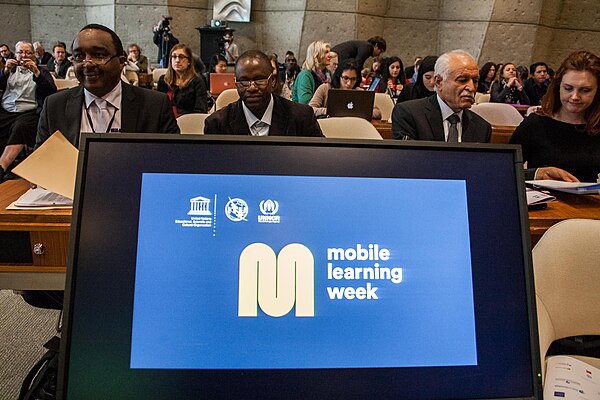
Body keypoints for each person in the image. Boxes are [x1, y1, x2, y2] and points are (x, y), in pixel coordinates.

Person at [37, 24, 179, 148]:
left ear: (121, 62)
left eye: (99, 55)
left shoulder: (155, 106)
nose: (87, 63)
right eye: (79, 56)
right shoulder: (54, 106)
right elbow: (40, 165)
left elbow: (172, 161)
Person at [510, 50, 600, 182]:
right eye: (568, 88)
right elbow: (504, 171)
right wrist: (536, 173)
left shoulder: (597, 128)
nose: (575, 97)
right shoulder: (535, 124)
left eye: (585, 90)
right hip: (541, 199)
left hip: (588, 201)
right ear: (558, 87)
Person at [204, 50, 323, 137]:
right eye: (244, 81)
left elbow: (320, 162)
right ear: (236, 82)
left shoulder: (302, 117)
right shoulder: (217, 124)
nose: (251, 87)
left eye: (259, 80)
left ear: (272, 81)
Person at [391, 50, 491, 143]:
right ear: (439, 82)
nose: (471, 88)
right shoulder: (408, 114)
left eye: (475, 81)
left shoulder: (482, 128)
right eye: (462, 80)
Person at [0, 41, 56, 181]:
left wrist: (36, 72)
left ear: (33, 55)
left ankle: (2, 166)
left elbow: (51, 92)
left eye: (27, 53)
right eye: (20, 52)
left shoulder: (41, 71)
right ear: (15, 54)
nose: (23, 55)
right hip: (6, 110)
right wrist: (5, 71)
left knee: (21, 127)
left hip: (29, 111)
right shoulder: (9, 70)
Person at [309, 60, 381, 119]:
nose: (349, 83)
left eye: (353, 79)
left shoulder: (359, 92)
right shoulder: (325, 88)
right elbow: (311, 109)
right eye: (345, 78)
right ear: (339, 76)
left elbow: (377, 112)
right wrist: (332, 111)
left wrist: (354, 112)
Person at [157, 44, 208, 116]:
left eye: (181, 57)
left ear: (189, 61)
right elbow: (158, 107)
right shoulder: (163, 80)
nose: (177, 60)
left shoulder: (197, 82)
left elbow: (201, 111)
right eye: (174, 57)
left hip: (188, 122)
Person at [292, 40, 330, 104]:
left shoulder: (328, 74)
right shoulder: (305, 75)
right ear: (316, 55)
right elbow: (305, 103)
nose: (330, 55)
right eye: (326, 52)